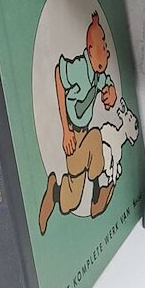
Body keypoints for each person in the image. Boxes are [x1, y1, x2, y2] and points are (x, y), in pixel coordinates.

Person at [39, 13, 118, 234]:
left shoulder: (98, 74)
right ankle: (85, 194)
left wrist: (111, 92)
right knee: (95, 139)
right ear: (89, 50)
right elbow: (58, 73)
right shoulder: (79, 68)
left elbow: (107, 84)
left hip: (84, 133)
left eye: (105, 47)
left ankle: (59, 191)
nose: (106, 52)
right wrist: (66, 131)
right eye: (100, 47)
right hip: (74, 135)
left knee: (72, 198)